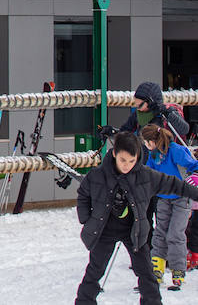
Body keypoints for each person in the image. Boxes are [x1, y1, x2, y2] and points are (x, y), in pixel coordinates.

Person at [73, 131, 198, 305]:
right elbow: (83, 195)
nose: (127, 166)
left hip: (134, 230)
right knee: (95, 271)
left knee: (146, 272)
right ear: (115, 153)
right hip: (104, 229)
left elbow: (174, 184)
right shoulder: (98, 175)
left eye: (131, 161)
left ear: (137, 157)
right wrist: (85, 219)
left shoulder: (145, 175)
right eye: (123, 160)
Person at [142, 122, 198, 288]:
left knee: (175, 233)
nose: (145, 145)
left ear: (153, 140)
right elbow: (148, 173)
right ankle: (157, 269)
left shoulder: (175, 150)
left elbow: (194, 165)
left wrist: (193, 178)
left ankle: (178, 269)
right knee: (160, 232)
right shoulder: (153, 155)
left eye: (146, 142)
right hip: (164, 197)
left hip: (181, 197)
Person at [102, 81, 191, 141]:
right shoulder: (138, 115)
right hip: (144, 161)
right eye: (136, 105)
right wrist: (112, 132)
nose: (138, 109)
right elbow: (125, 133)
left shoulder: (166, 113)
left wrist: (168, 114)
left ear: (151, 102)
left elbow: (184, 129)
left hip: (164, 160)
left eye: (140, 105)